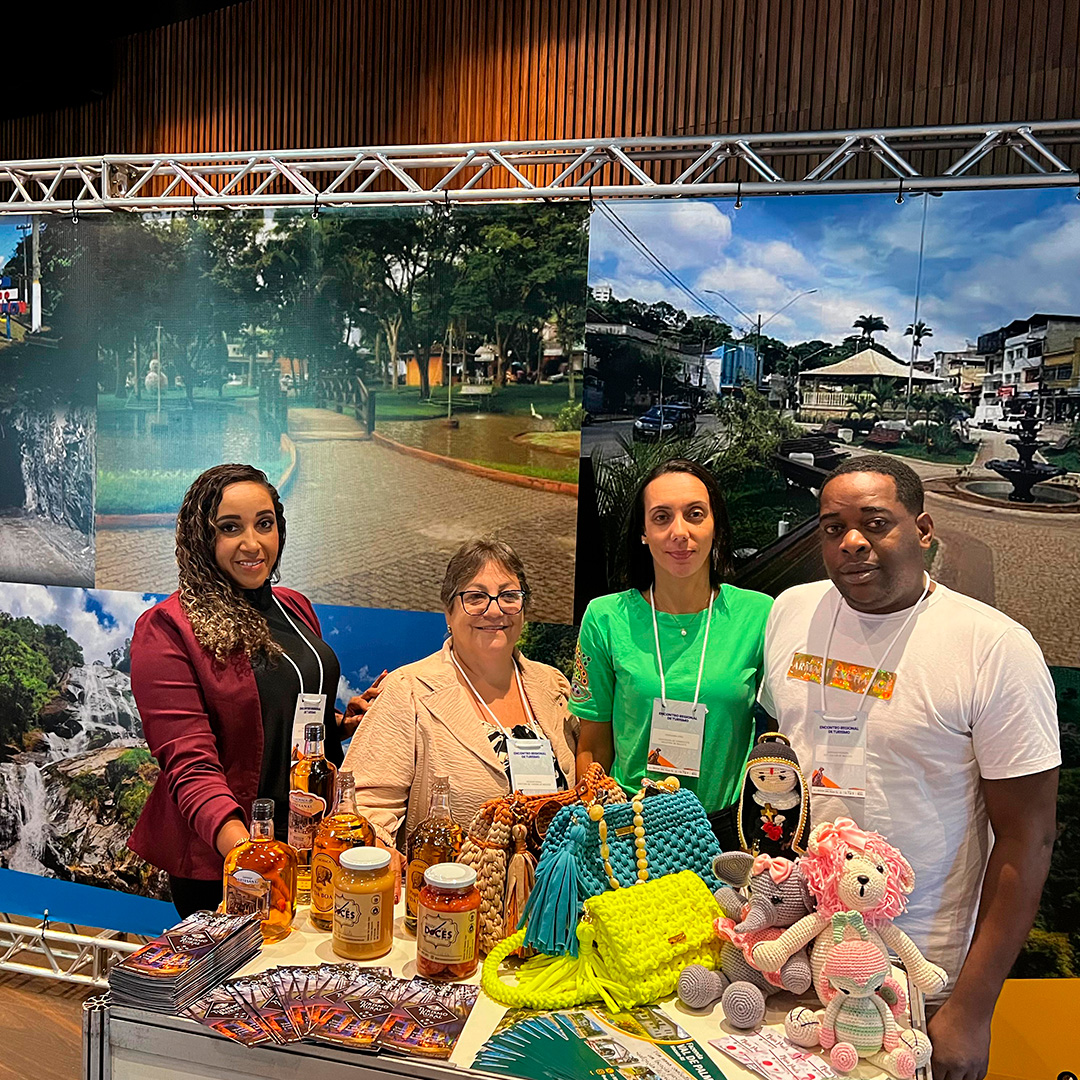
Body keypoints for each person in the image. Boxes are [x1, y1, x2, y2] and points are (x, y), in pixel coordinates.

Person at [758, 456, 1059, 1080]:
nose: (852, 542)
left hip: (919, 977)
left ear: (922, 530)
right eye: (833, 527)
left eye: (875, 523)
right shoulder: (791, 612)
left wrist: (972, 1010)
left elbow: (1028, 838)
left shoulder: (993, 648)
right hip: (799, 957)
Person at [128, 463, 372, 917]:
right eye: (230, 528)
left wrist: (339, 723)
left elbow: (287, 707)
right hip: (229, 860)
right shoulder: (167, 628)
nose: (253, 543)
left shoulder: (294, 606)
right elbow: (189, 763)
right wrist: (251, 857)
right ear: (201, 537)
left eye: (264, 524)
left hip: (310, 844)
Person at [571, 459, 773, 848]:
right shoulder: (606, 618)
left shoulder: (759, 615)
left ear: (715, 525)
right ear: (643, 533)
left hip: (727, 834)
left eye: (695, 514)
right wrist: (596, 829)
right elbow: (593, 745)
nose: (680, 532)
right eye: (661, 517)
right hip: (629, 831)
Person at [341, 536, 577, 848]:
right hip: (448, 879)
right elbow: (362, 809)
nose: (495, 610)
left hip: (556, 878)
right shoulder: (408, 691)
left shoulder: (553, 686)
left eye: (509, 596)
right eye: (476, 597)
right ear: (448, 612)